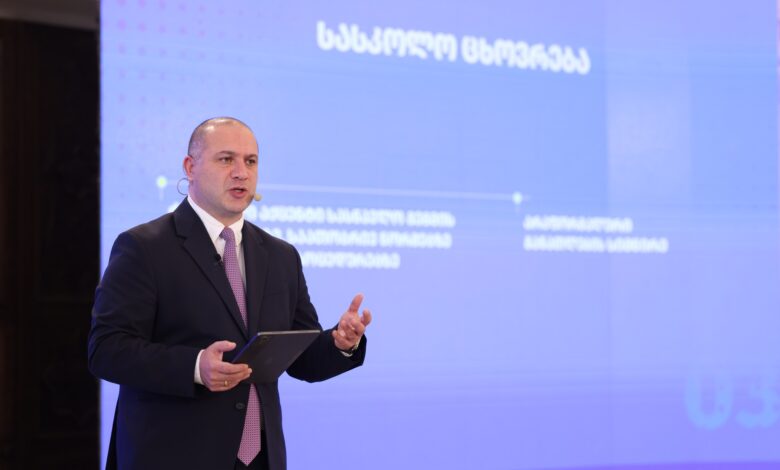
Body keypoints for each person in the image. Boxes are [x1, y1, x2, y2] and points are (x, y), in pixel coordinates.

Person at [88, 117, 371, 470]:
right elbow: (106, 350)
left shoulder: (281, 256)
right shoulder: (145, 247)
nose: (241, 173)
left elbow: (302, 359)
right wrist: (195, 367)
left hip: (260, 460)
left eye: (250, 161)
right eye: (226, 159)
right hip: (173, 456)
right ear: (190, 167)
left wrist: (340, 343)